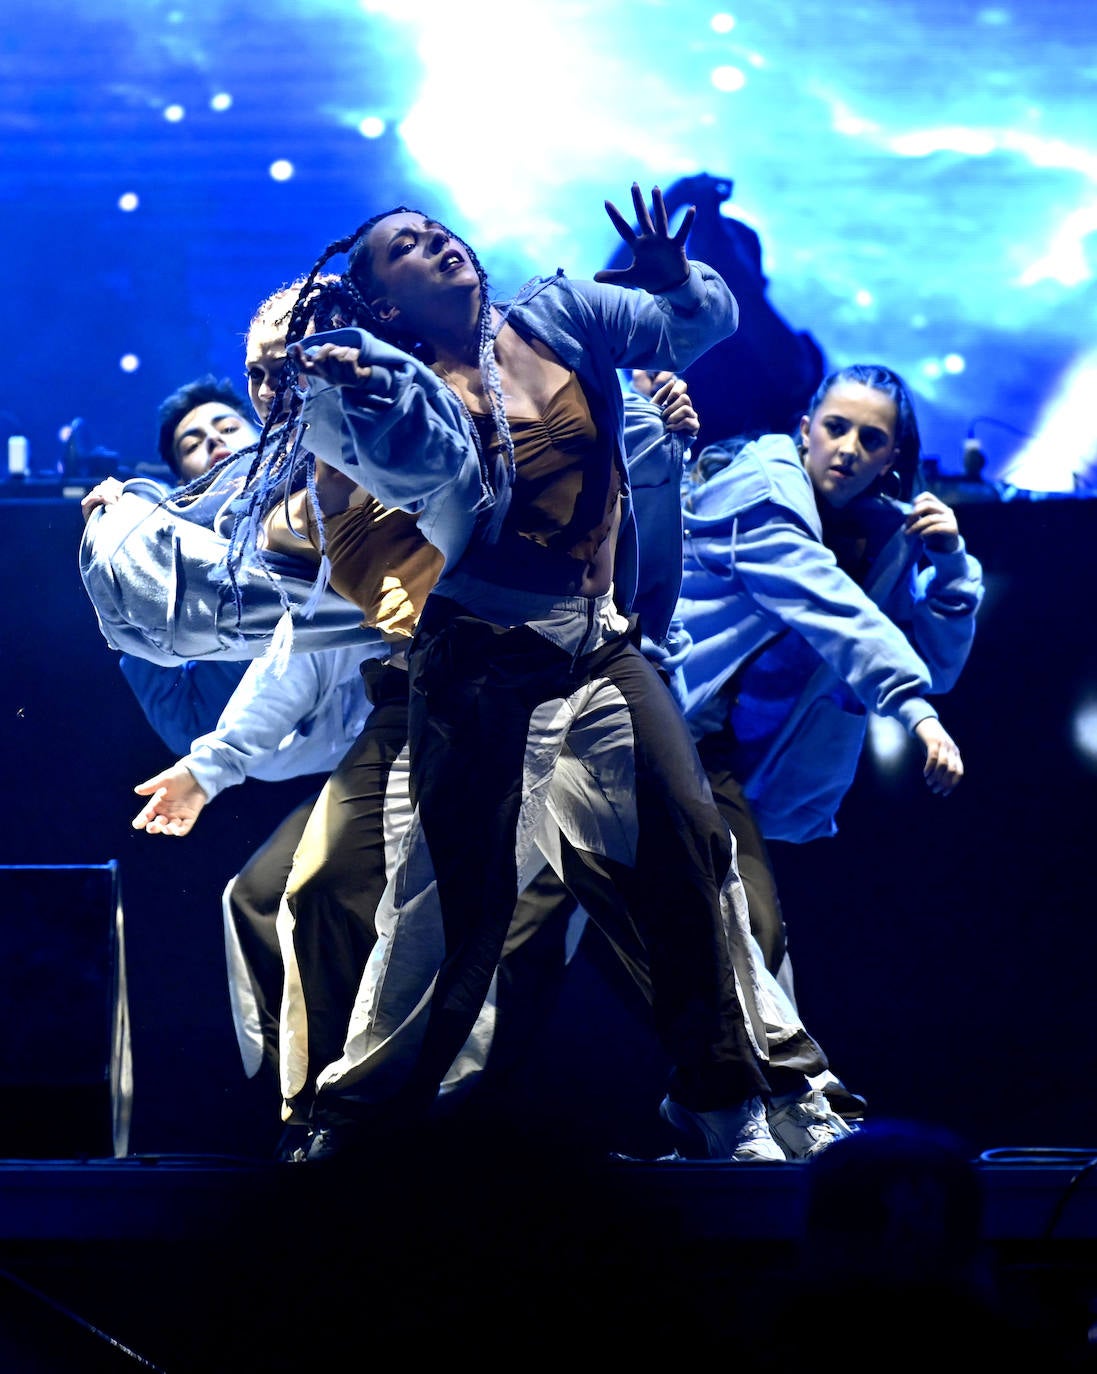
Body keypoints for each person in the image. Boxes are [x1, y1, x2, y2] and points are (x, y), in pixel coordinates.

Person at [226, 183, 853, 1164]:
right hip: (474, 672)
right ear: (382, 304)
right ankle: (356, 1121)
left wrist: (673, 280)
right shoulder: (377, 398)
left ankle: (721, 1093)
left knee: (685, 846)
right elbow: (374, 576)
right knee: (449, 914)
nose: (438, 244)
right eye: (405, 249)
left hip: (593, 645)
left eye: (436, 230)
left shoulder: (558, 312)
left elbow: (696, 328)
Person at [671, 364, 984, 1115]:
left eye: (868, 439)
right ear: (803, 426)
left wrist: (947, 567)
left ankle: (731, 1104)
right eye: (834, 427)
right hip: (671, 730)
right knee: (738, 924)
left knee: (729, 927)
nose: (845, 448)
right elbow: (832, 609)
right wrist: (914, 712)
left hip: (744, 762)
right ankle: (787, 1096)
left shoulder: (884, 536)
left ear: (891, 461)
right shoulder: (760, 488)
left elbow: (934, 661)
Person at [79, 376, 262, 754]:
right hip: (273, 762)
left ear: (264, 430)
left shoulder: (328, 493)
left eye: (228, 427)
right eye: (192, 444)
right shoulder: (181, 571)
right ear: (182, 478)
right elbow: (185, 729)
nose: (214, 441)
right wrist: (119, 565)